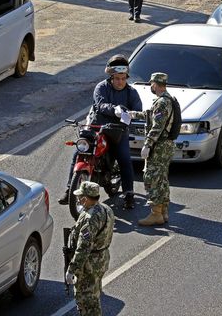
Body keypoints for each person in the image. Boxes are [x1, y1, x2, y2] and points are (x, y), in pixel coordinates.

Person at [59, 54, 142, 209]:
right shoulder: (101, 88)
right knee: (78, 152)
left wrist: (132, 114)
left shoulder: (132, 92)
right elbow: (101, 105)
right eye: (117, 78)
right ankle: (69, 188)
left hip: (118, 132)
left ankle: (129, 193)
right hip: (96, 128)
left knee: (124, 159)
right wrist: (114, 109)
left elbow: (138, 110)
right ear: (111, 77)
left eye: (123, 78)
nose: (120, 82)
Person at [130, 72, 175, 226]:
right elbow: (151, 116)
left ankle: (156, 213)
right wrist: (132, 114)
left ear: (155, 84)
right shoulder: (166, 100)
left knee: (152, 178)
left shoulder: (163, 102)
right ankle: (163, 212)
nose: (151, 86)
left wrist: (147, 144)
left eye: (151, 84)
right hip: (164, 145)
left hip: (160, 146)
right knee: (161, 178)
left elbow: (158, 125)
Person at [65, 181, 115, 316]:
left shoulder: (89, 218)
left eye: (79, 196)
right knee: (94, 294)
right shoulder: (106, 209)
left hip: (89, 264)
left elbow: (84, 247)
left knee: (86, 299)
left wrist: (72, 269)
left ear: (85, 198)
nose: (77, 199)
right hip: (102, 258)